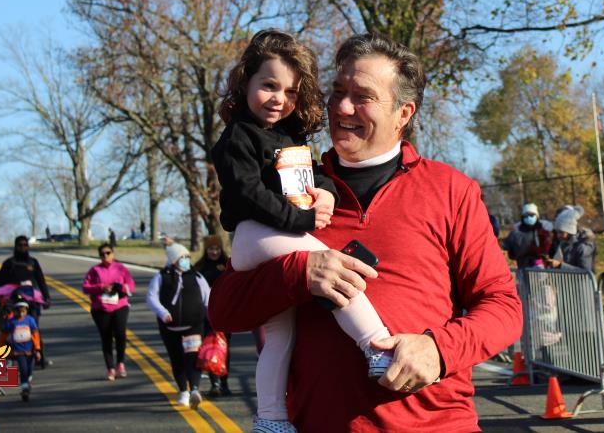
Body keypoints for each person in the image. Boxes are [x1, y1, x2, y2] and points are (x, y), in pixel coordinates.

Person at [209, 32, 522, 433]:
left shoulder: (451, 190)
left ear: (403, 113)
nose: (342, 107)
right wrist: (298, 274)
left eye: (363, 97)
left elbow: (503, 307)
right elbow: (223, 310)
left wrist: (438, 350)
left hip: (436, 425)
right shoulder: (287, 186)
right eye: (338, 91)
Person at [211, 29, 394, 433]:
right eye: (269, 85)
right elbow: (248, 194)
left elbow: (311, 174)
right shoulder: (237, 137)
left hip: (276, 235)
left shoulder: (289, 134)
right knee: (336, 269)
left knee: (280, 337)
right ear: (246, 82)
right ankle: (377, 344)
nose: (279, 99)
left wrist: (326, 192)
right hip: (255, 234)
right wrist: (304, 222)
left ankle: (271, 419)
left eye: (291, 91)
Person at [147, 242, 211, 409]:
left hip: (193, 326)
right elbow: (151, 297)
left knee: (193, 358)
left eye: (187, 257)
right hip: (170, 328)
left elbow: (208, 299)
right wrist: (162, 312)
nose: (186, 260)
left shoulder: (197, 276)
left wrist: (213, 318)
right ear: (173, 259)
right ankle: (183, 391)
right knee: (177, 360)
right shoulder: (162, 276)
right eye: (182, 257)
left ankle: (194, 389)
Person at [82, 242, 136, 381]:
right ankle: (110, 368)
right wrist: (101, 287)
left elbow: (131, 285)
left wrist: (121, 287)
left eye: (108, 253)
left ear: (113, 254)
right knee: (106, 338)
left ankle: (120, 364)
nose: (105, 256)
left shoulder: (121, 268)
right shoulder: (95, 270)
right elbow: (85, 287)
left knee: (120, 334)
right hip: (100, 309)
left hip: (120, 306)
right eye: (102, 254)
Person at [0, 235, 51, 366]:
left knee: (34, 328)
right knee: (10, 328)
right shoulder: (9, 263)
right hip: (13, 301)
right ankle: (8, 357)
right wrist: (13, 284)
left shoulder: (33, 262)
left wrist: (46, 297)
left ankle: (39, 357)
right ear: (15, 247)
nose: (23, 247)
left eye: (25, 245)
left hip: (32, 301)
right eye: (20, 245)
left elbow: (41, 281)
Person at [195, 234, 232, 397]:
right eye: (211, 249)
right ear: (206, 250)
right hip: (206, 313)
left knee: (224, 347)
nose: (214, 252)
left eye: (217, 248)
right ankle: (214, 383)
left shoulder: (228, 264)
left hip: (225, 312)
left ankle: (224, 382)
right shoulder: (199, 267)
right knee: (210, 347)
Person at [0, 300, 41, 401]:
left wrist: (37, 349)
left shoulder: (30, 320)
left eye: (23, 311)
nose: (21, 314)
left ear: (26, 311)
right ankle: (24, 389)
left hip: (30, 350)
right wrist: (0, 347)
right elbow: (4, 335)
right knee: (23, 369)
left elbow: (35, 335)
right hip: (18, 351)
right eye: (19, 311)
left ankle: (28, 381)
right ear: (15, 311)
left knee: (29, 369)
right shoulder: (11, 322)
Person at [544, 205, 597, 272]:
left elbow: (585, 272)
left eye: (561, 232)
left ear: (570, 230)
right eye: (557, 232)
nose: (558, 236)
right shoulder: (565, 244)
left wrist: (560, 265)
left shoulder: (584, 246)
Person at [501, 203, 553, 269]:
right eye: (526, 215)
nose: (529, 217)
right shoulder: (516, 232)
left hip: (539, 261)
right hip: (522, 263)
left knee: (539, 273)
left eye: (532, 215)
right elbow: (505, 246)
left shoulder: (543, 230)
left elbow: (548, 248)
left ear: (537, 216)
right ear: (522, 217)